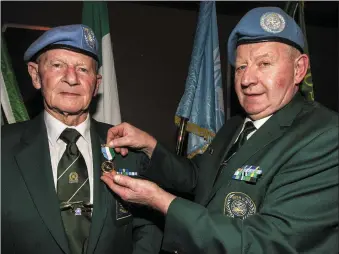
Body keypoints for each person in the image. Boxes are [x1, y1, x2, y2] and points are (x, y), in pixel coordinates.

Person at [101, 7, 339, 254]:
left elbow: (268, 243)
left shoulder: (326, 137)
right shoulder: (235, 125)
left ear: (299, 69)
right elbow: (199, 178)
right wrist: (150, 146)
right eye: (241, 67)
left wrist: (162, 202)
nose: (247, 79)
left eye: (264, 63)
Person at [1, 24, 162, 254]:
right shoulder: (3, 148)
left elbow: (149, 225)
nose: (71, 78)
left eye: (83, 70)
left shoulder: (127, 147)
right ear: (36, 75)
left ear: (96, 84)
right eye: (57, 65)